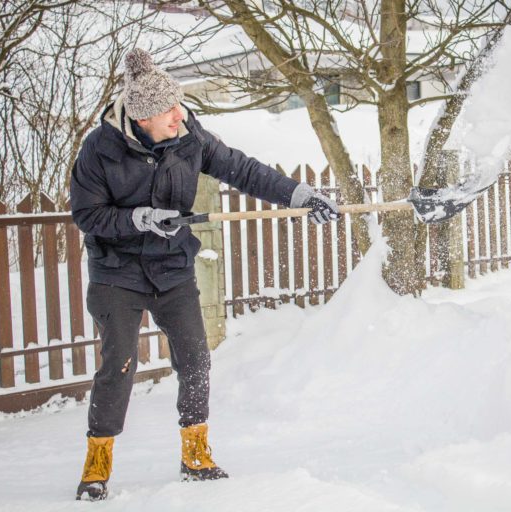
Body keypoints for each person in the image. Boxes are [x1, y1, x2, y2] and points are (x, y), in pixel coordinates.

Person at [70, 48, 339, 501]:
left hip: (172, 267)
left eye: (178, 105)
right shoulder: (100, 150)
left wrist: (298, 193)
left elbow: (240, 167)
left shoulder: (189, 135)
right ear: (140, 119)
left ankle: (195, 454)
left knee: (195, 361)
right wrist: (139, 219)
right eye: (167, 110)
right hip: (117, 272)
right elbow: (87, 214)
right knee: (119, 364)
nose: (179, 114)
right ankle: (97, 464)